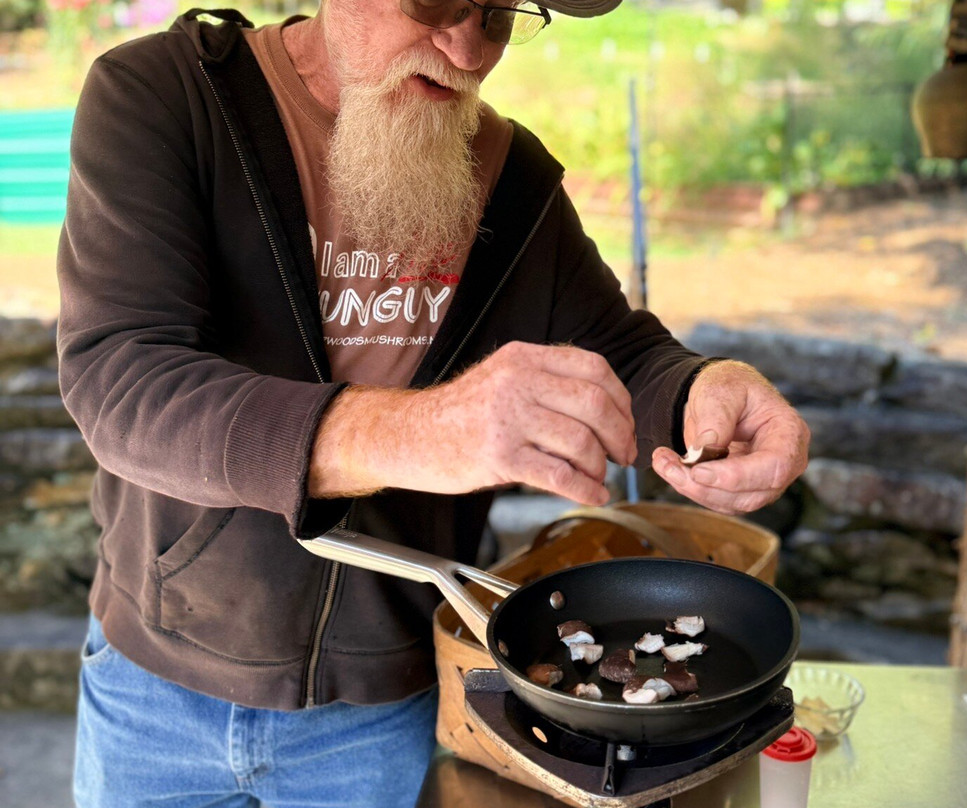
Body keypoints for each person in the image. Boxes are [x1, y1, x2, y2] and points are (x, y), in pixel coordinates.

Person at [56, 0, 810, 805]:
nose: (465, 45)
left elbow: (618, 356)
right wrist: (424, 432)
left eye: (496, 13)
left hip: (386, 703)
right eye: (436, 1)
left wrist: (700, 389)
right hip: (155, 686)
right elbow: (122, 378)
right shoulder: (163, 96)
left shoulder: (513, 182)